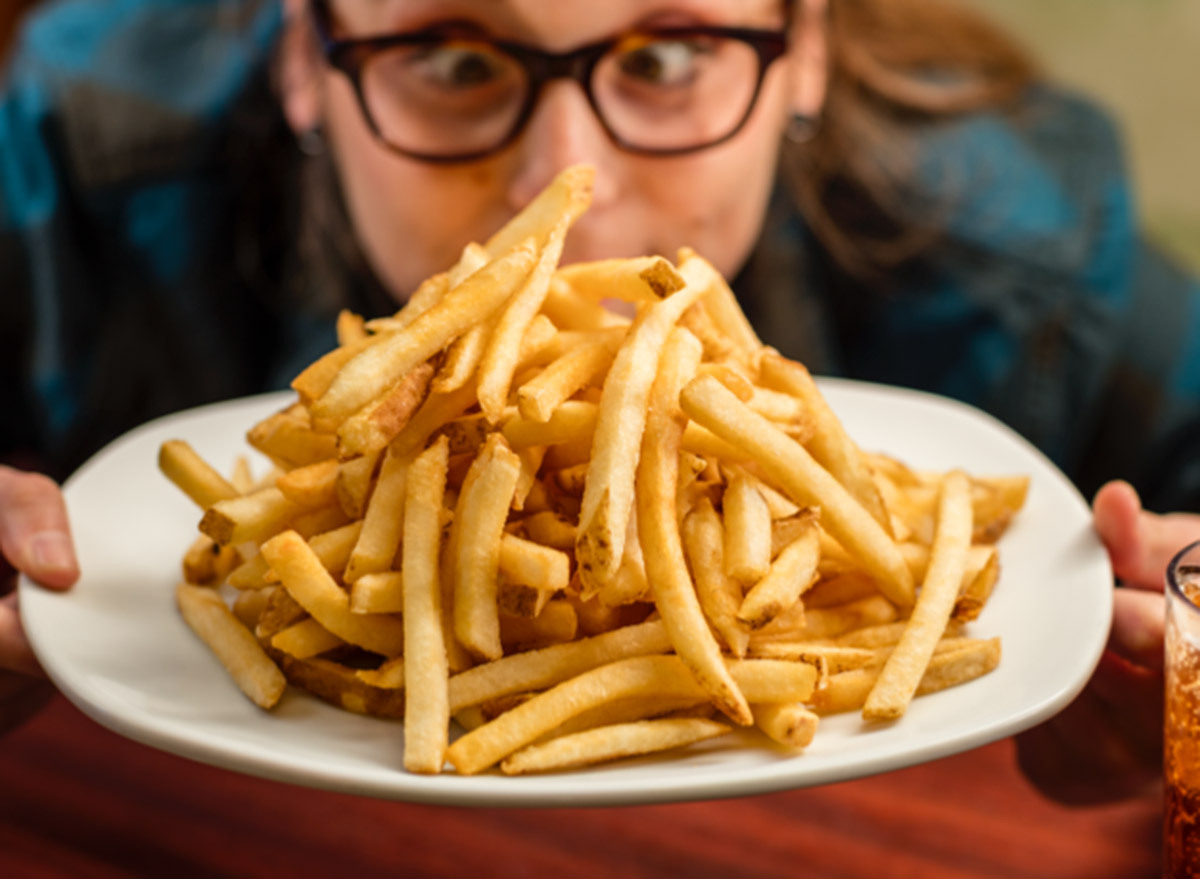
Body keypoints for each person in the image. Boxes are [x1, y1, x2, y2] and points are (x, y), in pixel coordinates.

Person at [2, 0, 1198, 800]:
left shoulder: (1025, 237)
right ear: (305, 58)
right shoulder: (72, 159)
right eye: (457, 60)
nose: (572, 182)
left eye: (667, 56)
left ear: (808, 44)